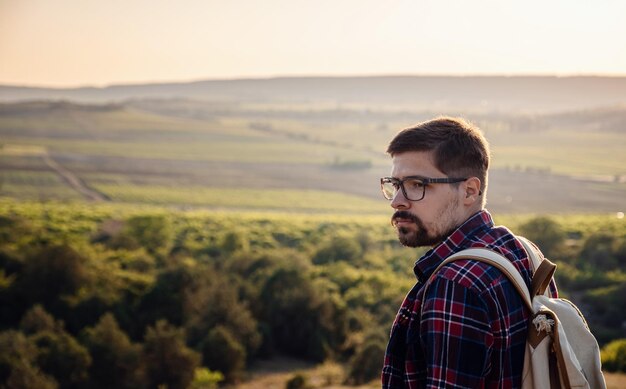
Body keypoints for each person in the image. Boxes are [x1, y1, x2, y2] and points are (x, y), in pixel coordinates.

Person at [380, 117, 556, 388]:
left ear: (469, 191)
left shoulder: (455, 284)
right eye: (395, 184)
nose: (397, 201)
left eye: (417, 185)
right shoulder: (524, 252)